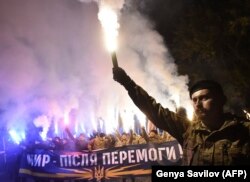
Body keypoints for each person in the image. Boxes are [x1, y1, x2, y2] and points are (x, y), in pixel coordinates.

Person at [113, 66, 250, 165]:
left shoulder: (243, 131)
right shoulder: (188, 131)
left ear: (221, 100)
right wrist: (127, 83)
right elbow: (154, 110)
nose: (198, 104)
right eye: (194, 100)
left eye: (204, 98)